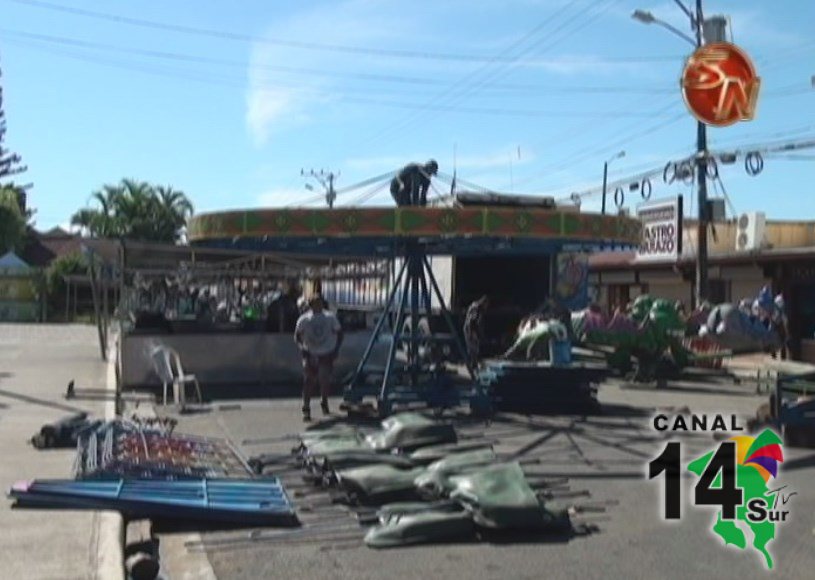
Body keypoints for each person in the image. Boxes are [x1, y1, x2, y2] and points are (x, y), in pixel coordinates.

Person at [294, 295, 344, 421]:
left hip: (326, 352)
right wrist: (302, 349)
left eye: (320, 303)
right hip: (310, 352)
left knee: (324, 379)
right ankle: (306, 407)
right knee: (309, 380)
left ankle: (324, 400)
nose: (318, 306)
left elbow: (339, 333)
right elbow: (297, 336)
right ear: (310, 305)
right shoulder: (304, 319)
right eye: (315, 303)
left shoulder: (330, 317)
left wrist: (336, 349)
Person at [463, 295, 489, 367]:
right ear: (484, 303)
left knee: (474, 347)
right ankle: (472, 364)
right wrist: (473, 333)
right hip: (470, 329)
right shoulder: (477, 308)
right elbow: (472, 321)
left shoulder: (475, 306)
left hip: (470, 328)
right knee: (473, 347)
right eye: (486, 305)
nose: (486, 307)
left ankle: (473, 363)